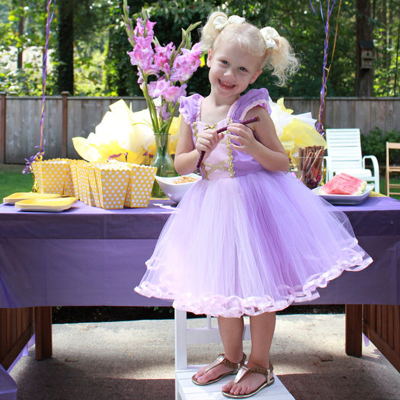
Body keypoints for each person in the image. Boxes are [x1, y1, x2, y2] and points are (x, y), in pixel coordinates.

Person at [135, 11, 372, 399]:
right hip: (211, 211)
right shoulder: (192, 109)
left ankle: (260, 364)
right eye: (224, 63)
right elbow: (181, 165)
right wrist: (199, 150)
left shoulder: (253, 110)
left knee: (261, 291)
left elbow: (282, 163)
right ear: (209, 58)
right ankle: (231, 357)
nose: (230, 75)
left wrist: (254, 147)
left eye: (242, 69)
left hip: (255, 209)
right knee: (223, 290)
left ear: (254, 76)